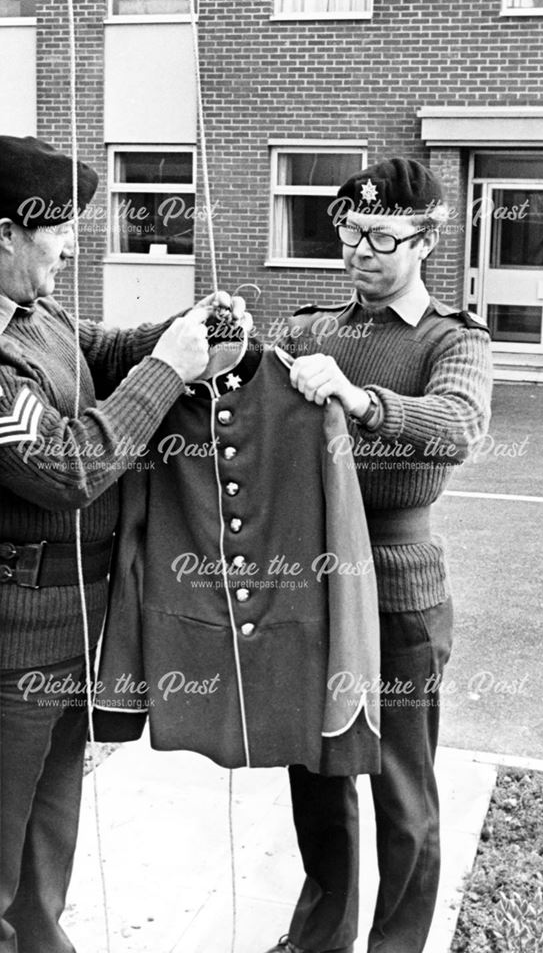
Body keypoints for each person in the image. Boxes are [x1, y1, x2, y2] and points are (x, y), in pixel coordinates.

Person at [0, 134, 244, 953]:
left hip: (70, 630)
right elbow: (68, 467)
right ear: (4, 232)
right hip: (10, 648)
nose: (71, 246)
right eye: (58, 228)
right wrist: (170, 369)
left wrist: (187, 330)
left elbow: (99, 351)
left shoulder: (33, 314)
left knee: (46, 837)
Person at [265, 158, 493, 953]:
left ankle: (396, 945)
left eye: (383, 237)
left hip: (399, 587)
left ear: (427, 240)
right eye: (349, 233)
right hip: (312, 585)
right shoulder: (306, 329)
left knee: (403, 789)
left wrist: (358, 401)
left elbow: (458, 427)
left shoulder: (452, 339)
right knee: (318, 781)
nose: (360, 251)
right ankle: (319, 939)